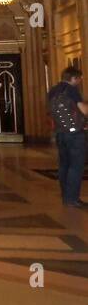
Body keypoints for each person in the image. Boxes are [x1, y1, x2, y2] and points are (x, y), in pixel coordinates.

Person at [48, 66, 88, 208]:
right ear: (73, 78)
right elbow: (83, 110)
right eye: (79, 78)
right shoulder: (72, 90)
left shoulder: (53, 90)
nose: (80, 81)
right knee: (76, 166)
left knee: (64, 165)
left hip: (60, 133)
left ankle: (66, 196)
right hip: (75, 134)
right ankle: (73, 199)